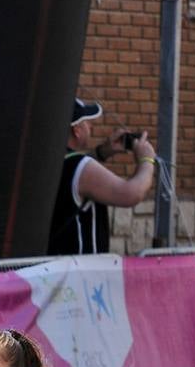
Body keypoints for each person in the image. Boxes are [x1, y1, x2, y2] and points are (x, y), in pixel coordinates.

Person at [47, 98, 157, 256]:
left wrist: (101, 152)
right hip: (81, 272)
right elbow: (131, 193)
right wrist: (146, 160)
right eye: (87, 122)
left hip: (52, 269)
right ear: (77, 130)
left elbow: (74, 178)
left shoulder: (48, 160)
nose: (91, 126)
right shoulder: (80, 165)